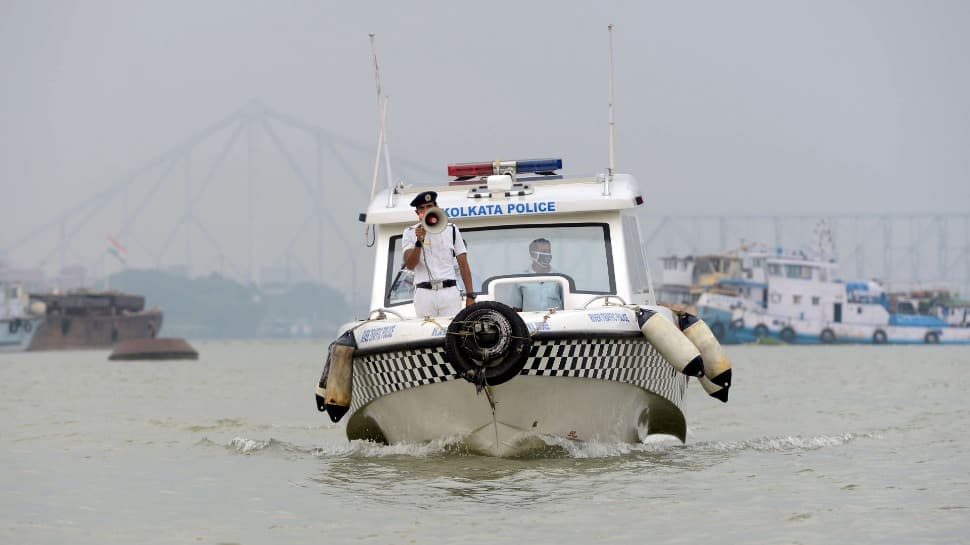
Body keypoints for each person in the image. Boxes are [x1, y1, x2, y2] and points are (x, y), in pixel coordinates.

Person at [402, 190, 476, 317]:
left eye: (429, 207)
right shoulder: (409, 232)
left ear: (436, 208)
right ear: (417, 213)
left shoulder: (451, 229)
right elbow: (410, 265)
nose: (426, 210)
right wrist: (418, 242)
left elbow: (463, 264)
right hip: (424, 294)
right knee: (425, 331)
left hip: (449, 292)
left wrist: (470, 295)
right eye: (421, 208)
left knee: (453, 330)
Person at [508, 238, 564, 312]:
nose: (547, 254)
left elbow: (567, 305)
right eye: (543, 251)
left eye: (549, 251)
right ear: (532, 254)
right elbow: (517, 309)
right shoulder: (520, 279)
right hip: (529, 322)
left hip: (555, 322)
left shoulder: (560, 278)